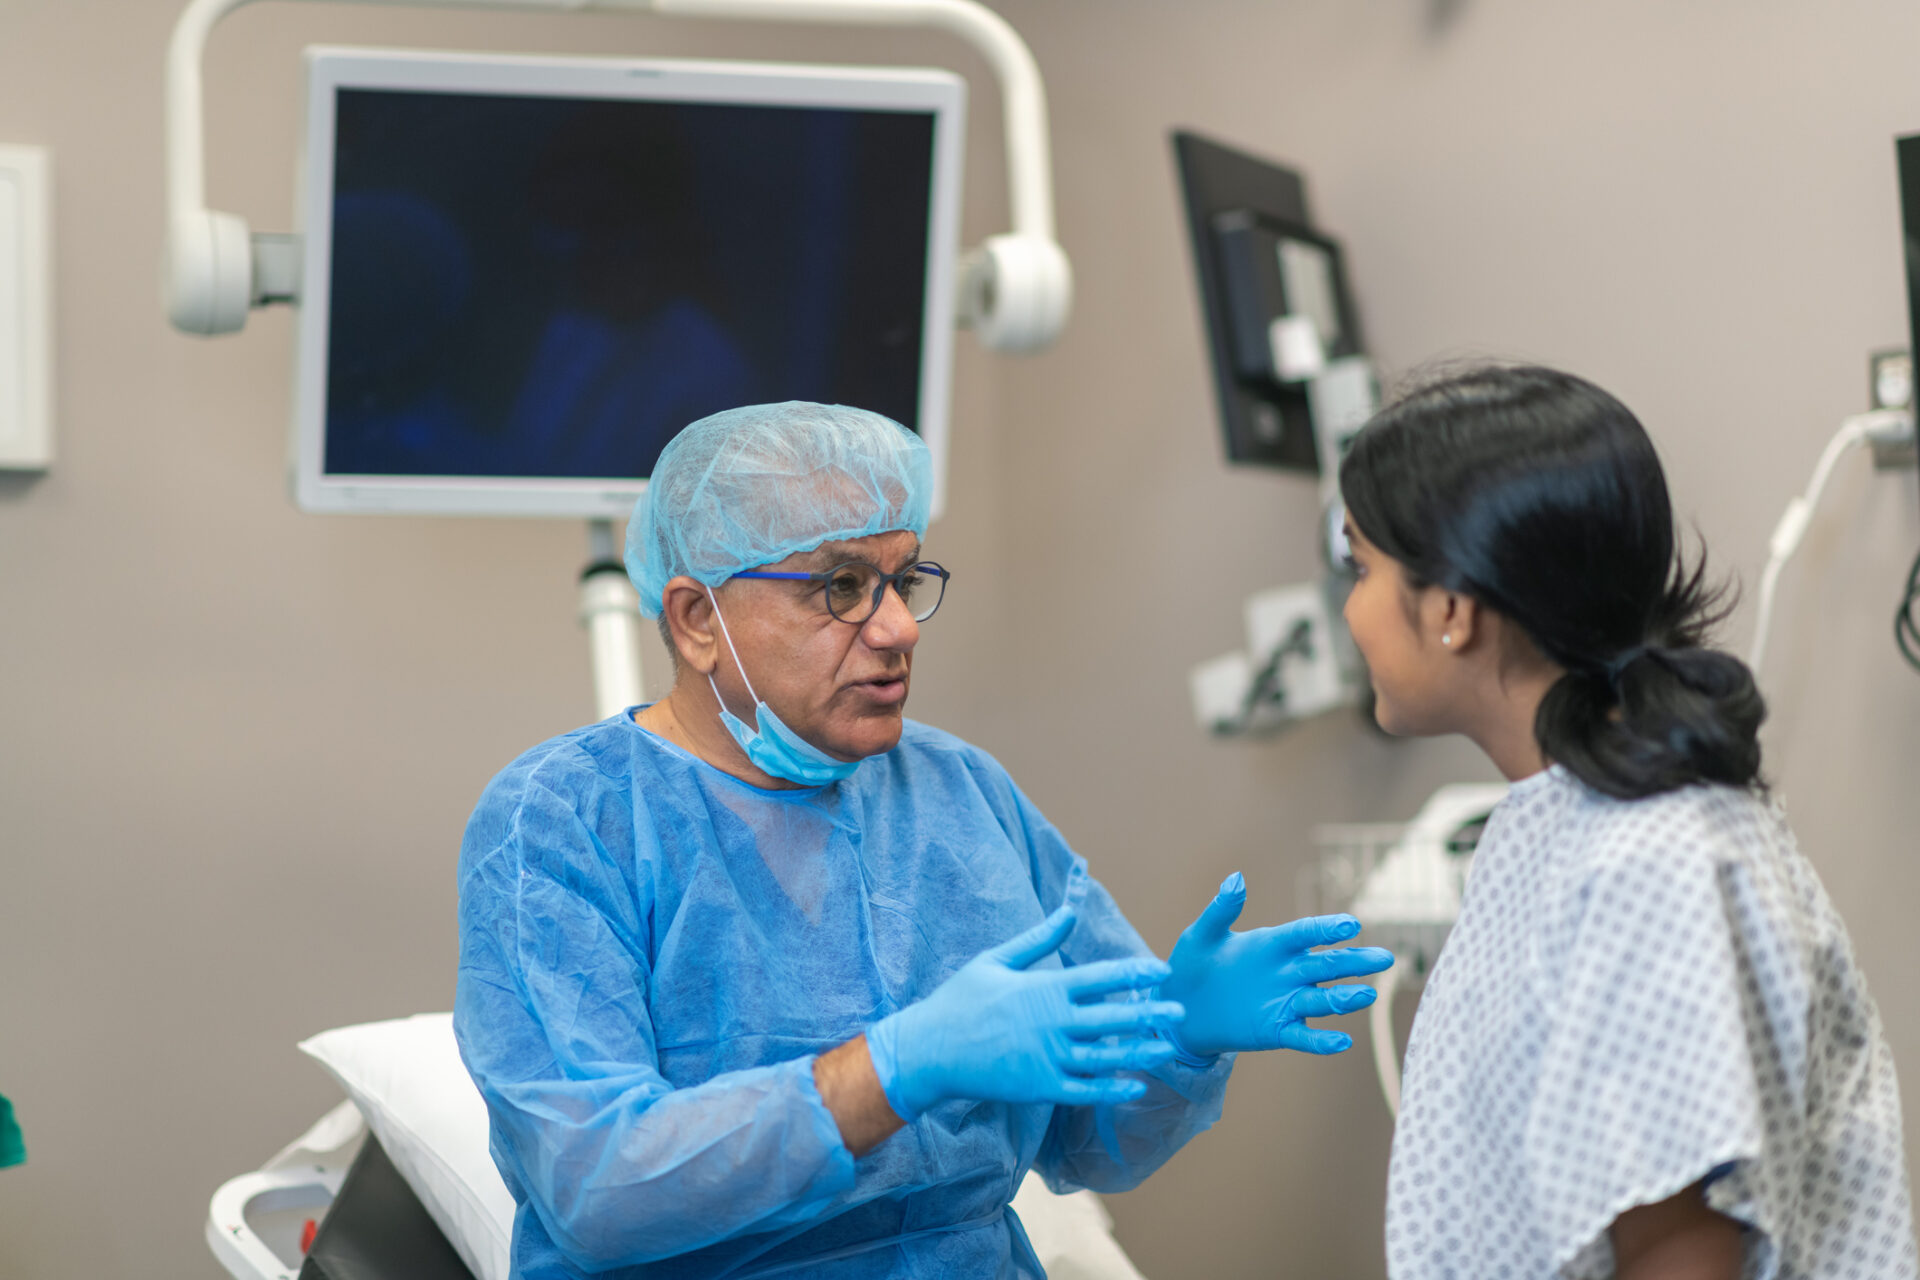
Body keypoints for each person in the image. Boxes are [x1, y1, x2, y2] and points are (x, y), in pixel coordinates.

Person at [454, 401, 1395, 1279]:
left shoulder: (960, 792)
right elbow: (599, 1188)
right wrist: (895, 1069)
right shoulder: (563, 822)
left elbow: (1090, 1144)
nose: (898, 627)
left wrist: (1175, 1043)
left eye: (903, 580)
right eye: (841, 587)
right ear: (700, 621)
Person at [1336, 365, 1917, 1280]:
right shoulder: (1562, 824)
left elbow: (1680, 1252)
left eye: (1360, 567)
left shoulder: (1651, 859)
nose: (1349, 608)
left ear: (1450, 610)